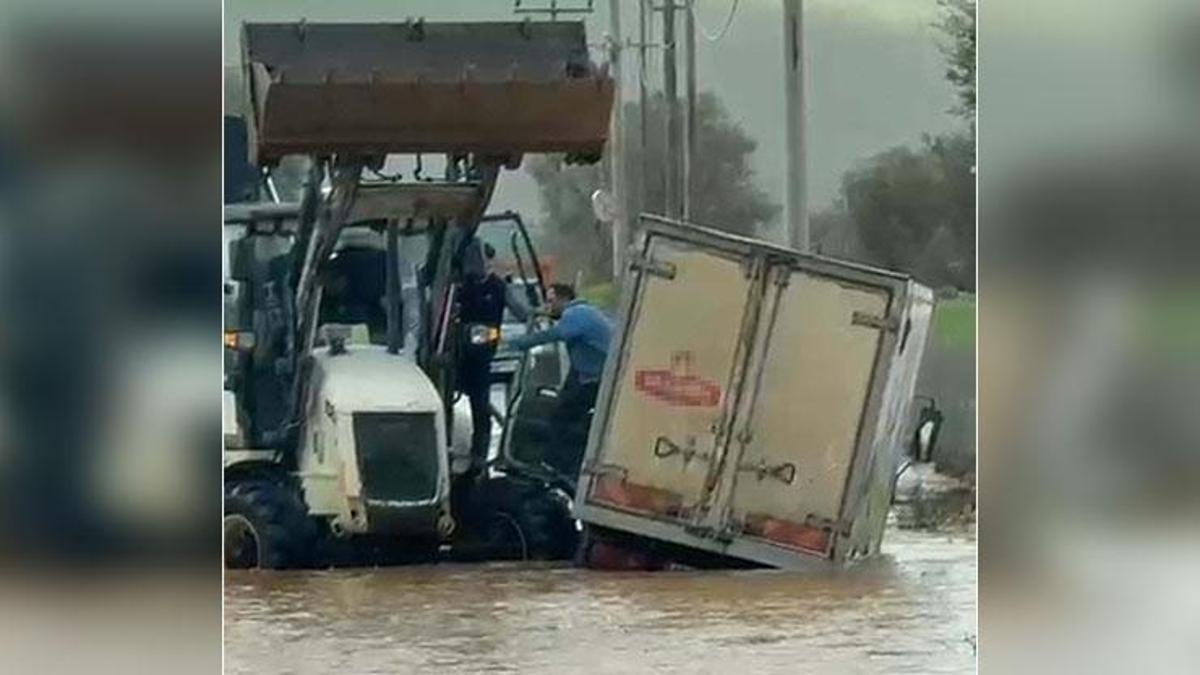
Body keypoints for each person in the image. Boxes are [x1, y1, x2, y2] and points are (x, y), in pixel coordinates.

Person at [502, 282, 612, 472]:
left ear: (564, 299)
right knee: (565, 408)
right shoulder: (585, 311)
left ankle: (560, 465)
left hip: (595, 379)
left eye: (551, 301)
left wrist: (519, 343)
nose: (548, 306)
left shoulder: (576, 313)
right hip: (589, 374)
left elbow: (556, 334)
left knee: (562, 419)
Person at [456, 240, 527, 475]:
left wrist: (537, 316)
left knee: (481, 406)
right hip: (453, 352)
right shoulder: (456, 285)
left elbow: (521, 311)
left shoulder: (498, 287)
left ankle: (480, 456)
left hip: (482, 354)